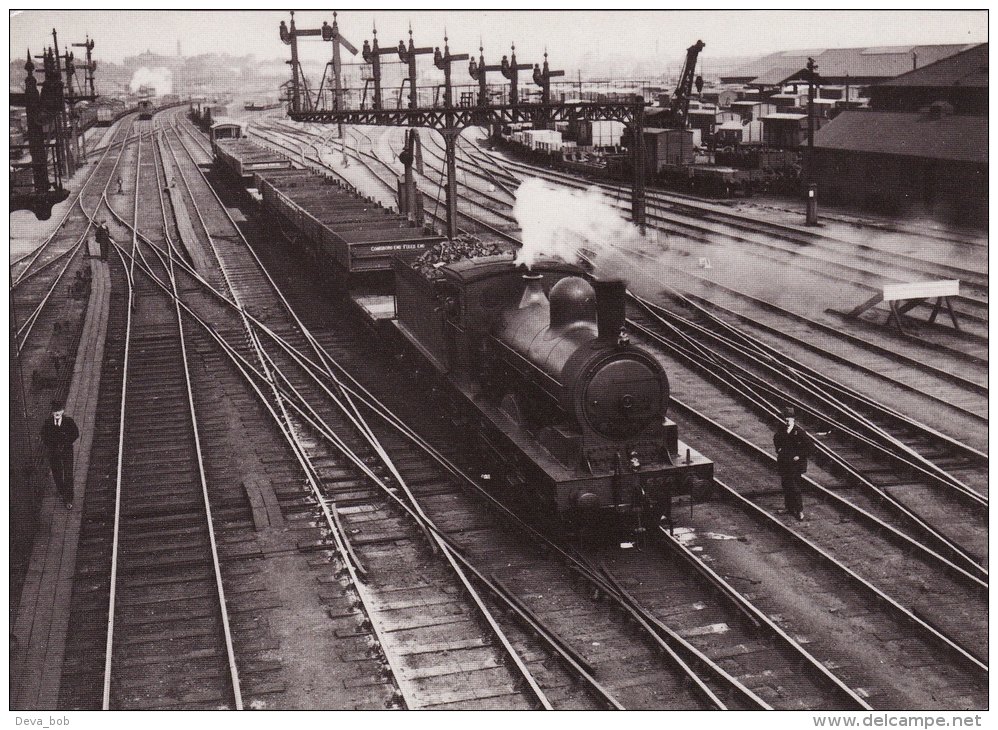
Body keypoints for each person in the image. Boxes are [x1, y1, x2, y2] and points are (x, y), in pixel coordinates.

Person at [40, 399, 80, 510]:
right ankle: (62, 491)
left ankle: (68, 498)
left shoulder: (68, 422)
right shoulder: (48, 424)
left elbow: (75, 433)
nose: (57, 413)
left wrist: (67, 442)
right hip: (54, 452)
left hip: (67, 451)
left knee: (68, 474)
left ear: (63, 411)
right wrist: (52, 445)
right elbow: (43, 436)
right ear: (52, 412)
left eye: (59, 410)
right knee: (57, 474)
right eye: (55, 411)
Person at [773, 406, 809, 521]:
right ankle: (788, 508)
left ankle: (799, 510)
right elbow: (776, 439)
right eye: (786, 419)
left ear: (794, 420)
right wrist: (778, 449)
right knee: (786, 485)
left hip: (796, 466)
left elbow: (811, 448)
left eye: (789, 419)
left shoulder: (799, 432)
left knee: (795, 487)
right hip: (785, 463)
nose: (787, 422)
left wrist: (799, 456)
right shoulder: (782, 430)